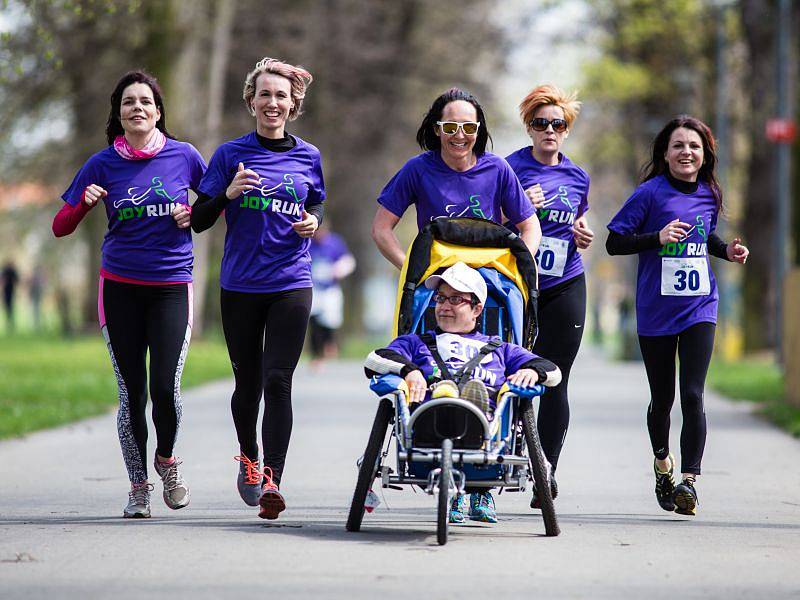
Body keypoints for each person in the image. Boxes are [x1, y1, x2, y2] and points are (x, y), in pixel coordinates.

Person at [53, 70, 207, 518]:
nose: (137, 108)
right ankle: (138, 486)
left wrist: (194, 212)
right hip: (118, 287)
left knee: (165, 387)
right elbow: (60, 227)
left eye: (145, 101)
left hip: (171, 288)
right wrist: (84, 202)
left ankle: (168, 461)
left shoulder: (186, 156)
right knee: (131, 393)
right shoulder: (102, 164)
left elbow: (216, 203)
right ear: (118, 115)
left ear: (158, 112)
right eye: (127, 103)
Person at [191, 57, 324, 520]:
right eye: (264, 95)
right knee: (247, 384)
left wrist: (313, 222)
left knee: (278, 379)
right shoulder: (230, 155)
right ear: (251, 101)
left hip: (291, 281)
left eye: (281, 96)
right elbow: (200, 220)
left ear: (293, 104)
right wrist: (227, 193)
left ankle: (273, 479)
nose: (273, 103)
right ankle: (249, 458)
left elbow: (315, 205)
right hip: (241, 285)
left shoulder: (309, 156)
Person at [606, 115, 748, 516]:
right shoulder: (649, 194)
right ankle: (662, 464)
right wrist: (657, 237)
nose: (687, 152)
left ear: (705, 155)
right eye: (679, 146)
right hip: (656, 310)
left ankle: (689, 482)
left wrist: (727, 251)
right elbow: (614, 242)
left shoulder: (709, 193)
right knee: (663, 399)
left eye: (694, 146)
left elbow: (706, 237)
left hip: (700, 305)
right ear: (665, 154)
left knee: (693, 394)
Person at [364, 262, 561, 524]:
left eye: (455, 299)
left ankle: (465, 401)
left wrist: (534, 373)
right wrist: (410, 371)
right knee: (441, 393)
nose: (444, 306)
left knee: (480, 397)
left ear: (477, 308)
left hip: (486, 430)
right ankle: (449, 397)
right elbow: (375, 358)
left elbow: (553, 371)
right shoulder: (416, 342)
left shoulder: (500, 349)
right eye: (441, 298)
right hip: (425, 425)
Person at [505, 84, 592, 509]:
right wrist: (516, 209)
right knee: (512, 377)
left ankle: (547, 473)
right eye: (541, 123)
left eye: (558, 124)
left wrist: (582, 230)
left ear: (567, 130)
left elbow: (578, 217)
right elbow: (489, 220)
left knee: (557, 378)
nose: (550, 130)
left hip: (565, 282)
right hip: (519, 286)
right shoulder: (509, 169)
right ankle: (504, 461)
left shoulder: (577, 175)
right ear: (529, 127)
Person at [372, 88, 541, 269]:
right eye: (450, 127)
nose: (460, 135)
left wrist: (513, 270)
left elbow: (531, 227)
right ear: (437, 129)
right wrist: (410, 269)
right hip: (436, 282)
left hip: (487, 281)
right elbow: (381, 229)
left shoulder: (497, 169)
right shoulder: (417, 169)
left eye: (468, 127)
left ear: (478, 130)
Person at [308, 223, 356, 368]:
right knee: (314, 321)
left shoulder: (335, 242)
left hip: (330, 288)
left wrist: (340, 269)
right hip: (313, 288)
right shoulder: (308, 243)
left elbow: (348, 260)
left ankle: (330, 344)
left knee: (330, 321)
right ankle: (316, 355)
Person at [1, 261, 19, 332]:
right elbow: (17, 280)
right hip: (9, 291)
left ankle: (9, 323)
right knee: (10, 307)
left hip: (8, 291)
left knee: (8, 307)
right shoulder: (10, 271)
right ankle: (10, 323)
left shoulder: (6, 271)